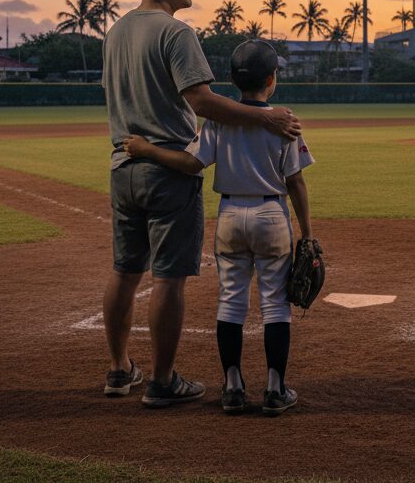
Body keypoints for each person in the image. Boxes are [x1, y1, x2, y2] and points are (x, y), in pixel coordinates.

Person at [102, 0, 301, 409]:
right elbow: (203, 102)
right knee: (168, 278)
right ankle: (163, 380)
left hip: (122, 166)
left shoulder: (114, 33)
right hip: (168, 169)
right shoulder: (175, 33)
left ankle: (118, 370)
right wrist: (265, 117)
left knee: (125, 271)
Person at [124, 38, 314, 415]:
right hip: (271, 215)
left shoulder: (218, 120)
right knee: (276, 304)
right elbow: (295, 182)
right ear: (272, 79)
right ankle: (275, 390)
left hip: (229, 216)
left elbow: (191, 164)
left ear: (231, 79)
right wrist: (308, 234)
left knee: (231, 300)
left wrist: (147, 151)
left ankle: (232, 387)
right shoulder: (284, 121)